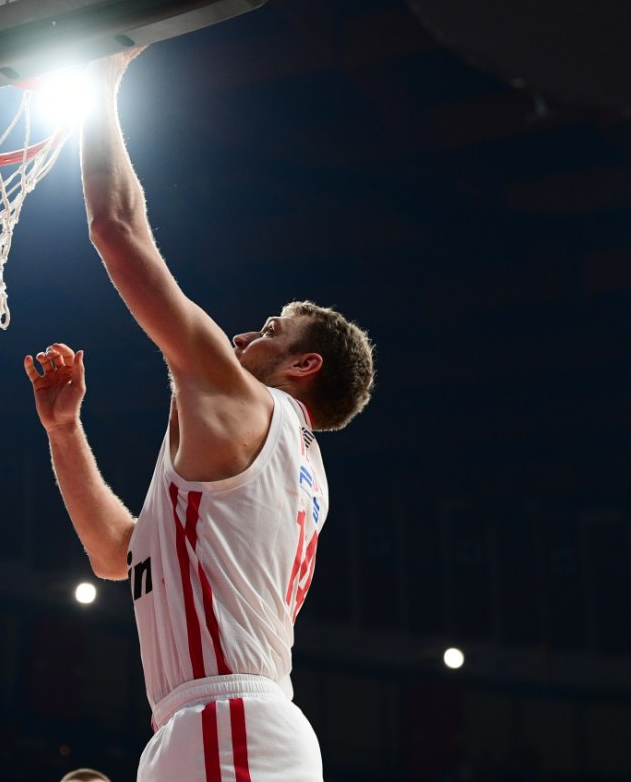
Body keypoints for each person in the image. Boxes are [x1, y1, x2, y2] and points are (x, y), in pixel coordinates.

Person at [23, 46, 374, 782]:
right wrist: (65, 433)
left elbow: (116, 228)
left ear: (303, 367)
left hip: (227, 721)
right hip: (219, 723)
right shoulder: (279, 467)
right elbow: (118, 556)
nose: (248, 334)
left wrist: (102, 80)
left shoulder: (253, 409)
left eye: (273, 330)